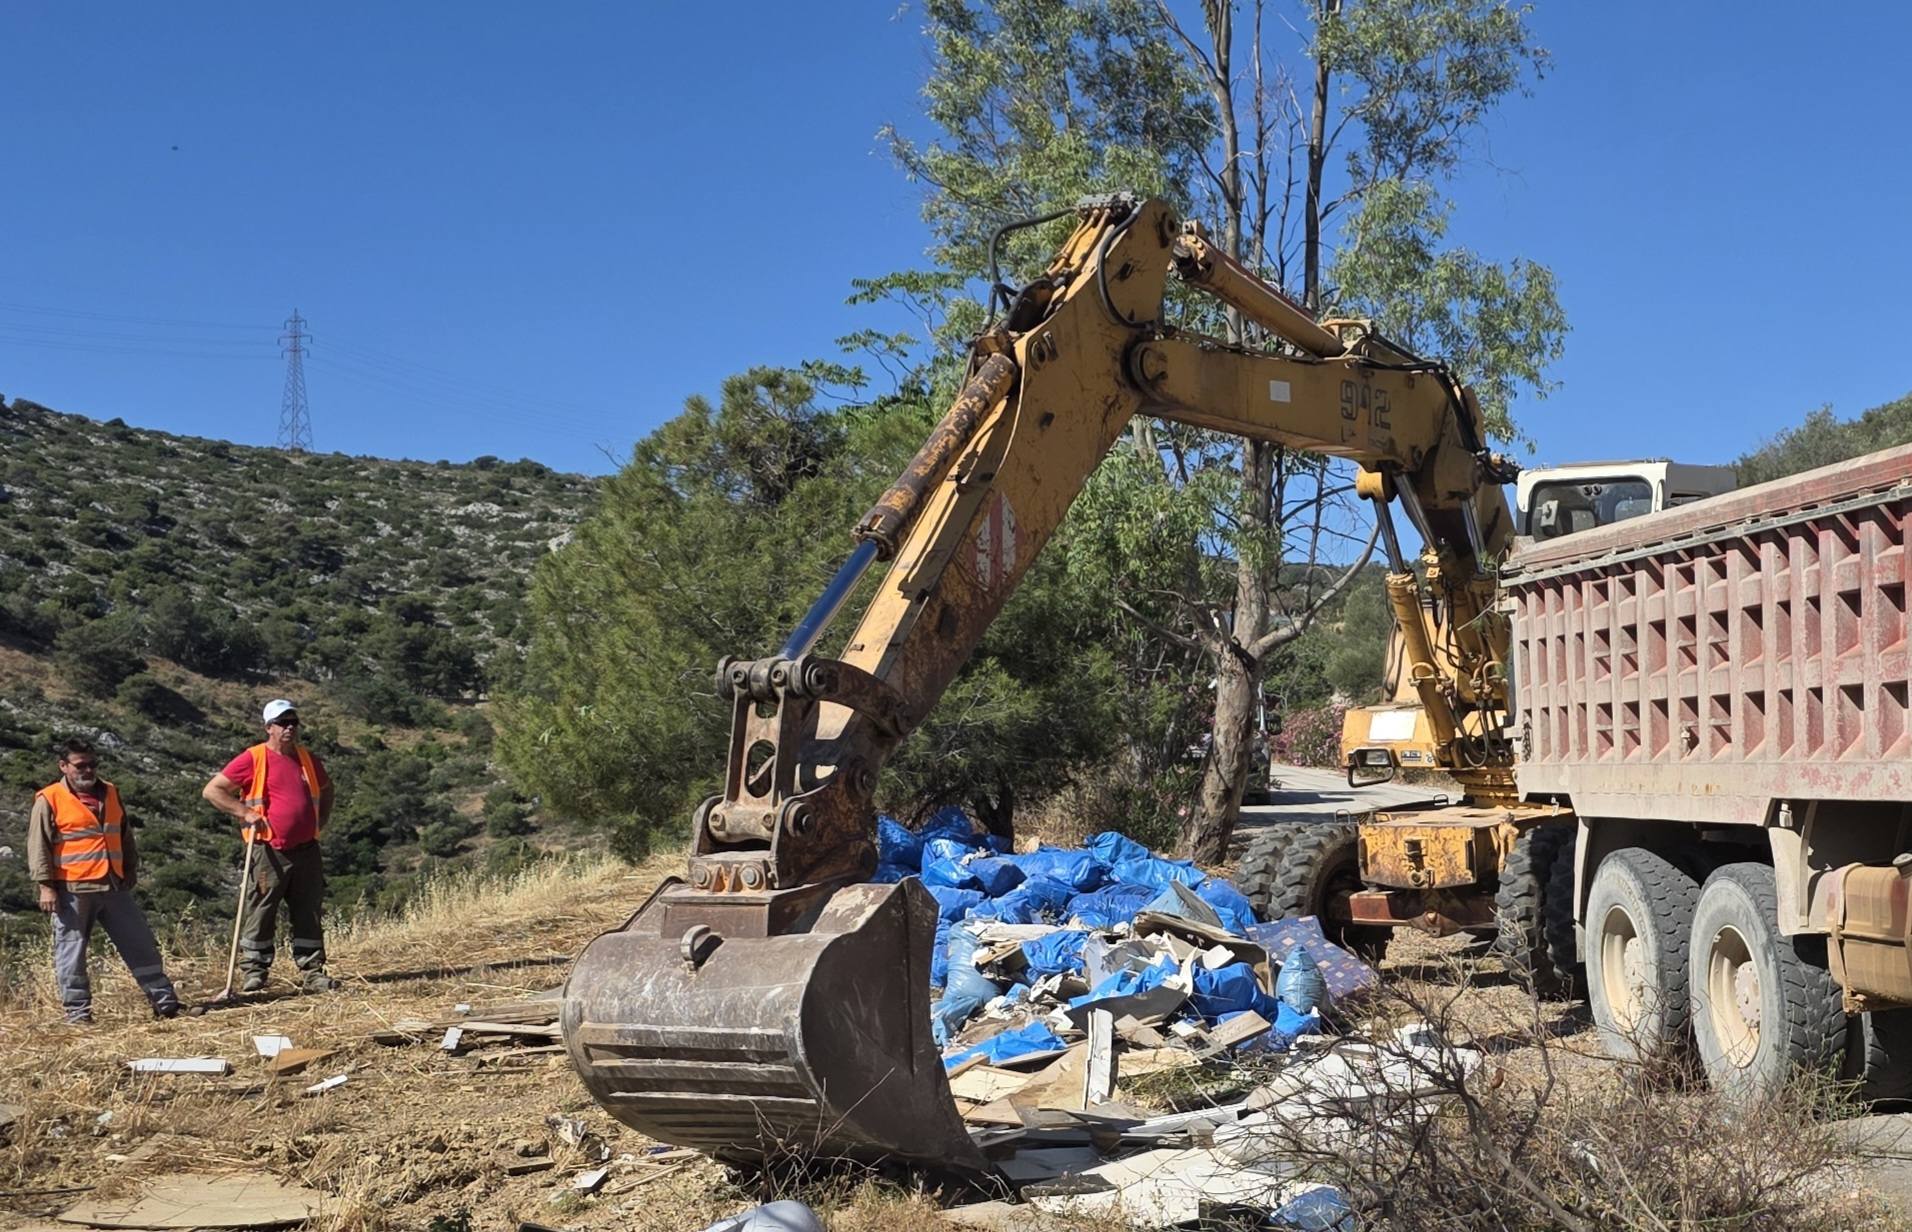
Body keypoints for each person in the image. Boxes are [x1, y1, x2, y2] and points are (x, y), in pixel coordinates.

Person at [27, 738, 192, 1023]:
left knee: (140, 944)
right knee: (71, 953)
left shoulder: (111, 792)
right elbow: (38, 845)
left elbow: (124, 835)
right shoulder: (49, 798)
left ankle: (166, 1005)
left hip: (113, 885)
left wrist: (130, 868)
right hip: (73, 890)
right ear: (63, 766)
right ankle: (78, 1015)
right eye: (81, 765)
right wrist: (45, 886)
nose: (88, 770)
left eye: (92, 764)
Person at [201, 699, 339, 993]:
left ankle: (313, 971)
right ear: (269, 727)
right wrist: (244, 812)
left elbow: (327, 789)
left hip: (306, 849)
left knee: (308, 910)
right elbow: (213, 790)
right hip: (268, 849)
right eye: (282, 723)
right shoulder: (253, 758)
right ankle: (255, 971)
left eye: (293, 722)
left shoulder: (307, 759)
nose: (289, 728)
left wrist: (321, 820)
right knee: (262, 910)